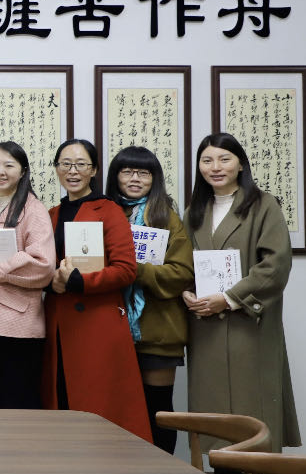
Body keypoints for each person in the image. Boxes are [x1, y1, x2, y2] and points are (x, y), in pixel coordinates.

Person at [182, 133, 300, 457]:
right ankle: (221, 473)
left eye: (224, 159)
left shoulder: (264, 205)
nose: (215, 167)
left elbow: (275, 265)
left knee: (253, 402)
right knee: (212, 405)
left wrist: (229, 298)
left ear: (241, 165)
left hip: (250, 323)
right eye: (207, 160)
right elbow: (183, 264)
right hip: (206, 326)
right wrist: (186, 293)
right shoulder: (194, 211)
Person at [41, 139, 151, 442]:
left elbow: (126, 269)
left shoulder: (109, 210)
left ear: (94, 170)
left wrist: (79, 281)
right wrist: (51, 281)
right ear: (56, 168)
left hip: (97, 325)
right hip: (58, 322)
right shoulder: (50, 214)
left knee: (99, 409)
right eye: (65, 164)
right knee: (62, 401)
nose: (72, 171)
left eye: (81, 164)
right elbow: (44, 265)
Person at [108, 146, 194, 454]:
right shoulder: (106, 214)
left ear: (154, 178)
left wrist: (133, 270)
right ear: (115, 176)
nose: (135, 178)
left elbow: (181, 273)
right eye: (127, 172)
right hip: (114, 330)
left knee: (158, 411)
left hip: (159, 331)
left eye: (143, 173)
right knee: (119, 411)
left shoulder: (165, 217)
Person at [0, 141, 56, 409]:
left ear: (23, 171)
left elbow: (43, 264)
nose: (0, 171)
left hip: (18, 326)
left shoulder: (33, 209)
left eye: (9, 165)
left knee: (16, 407)